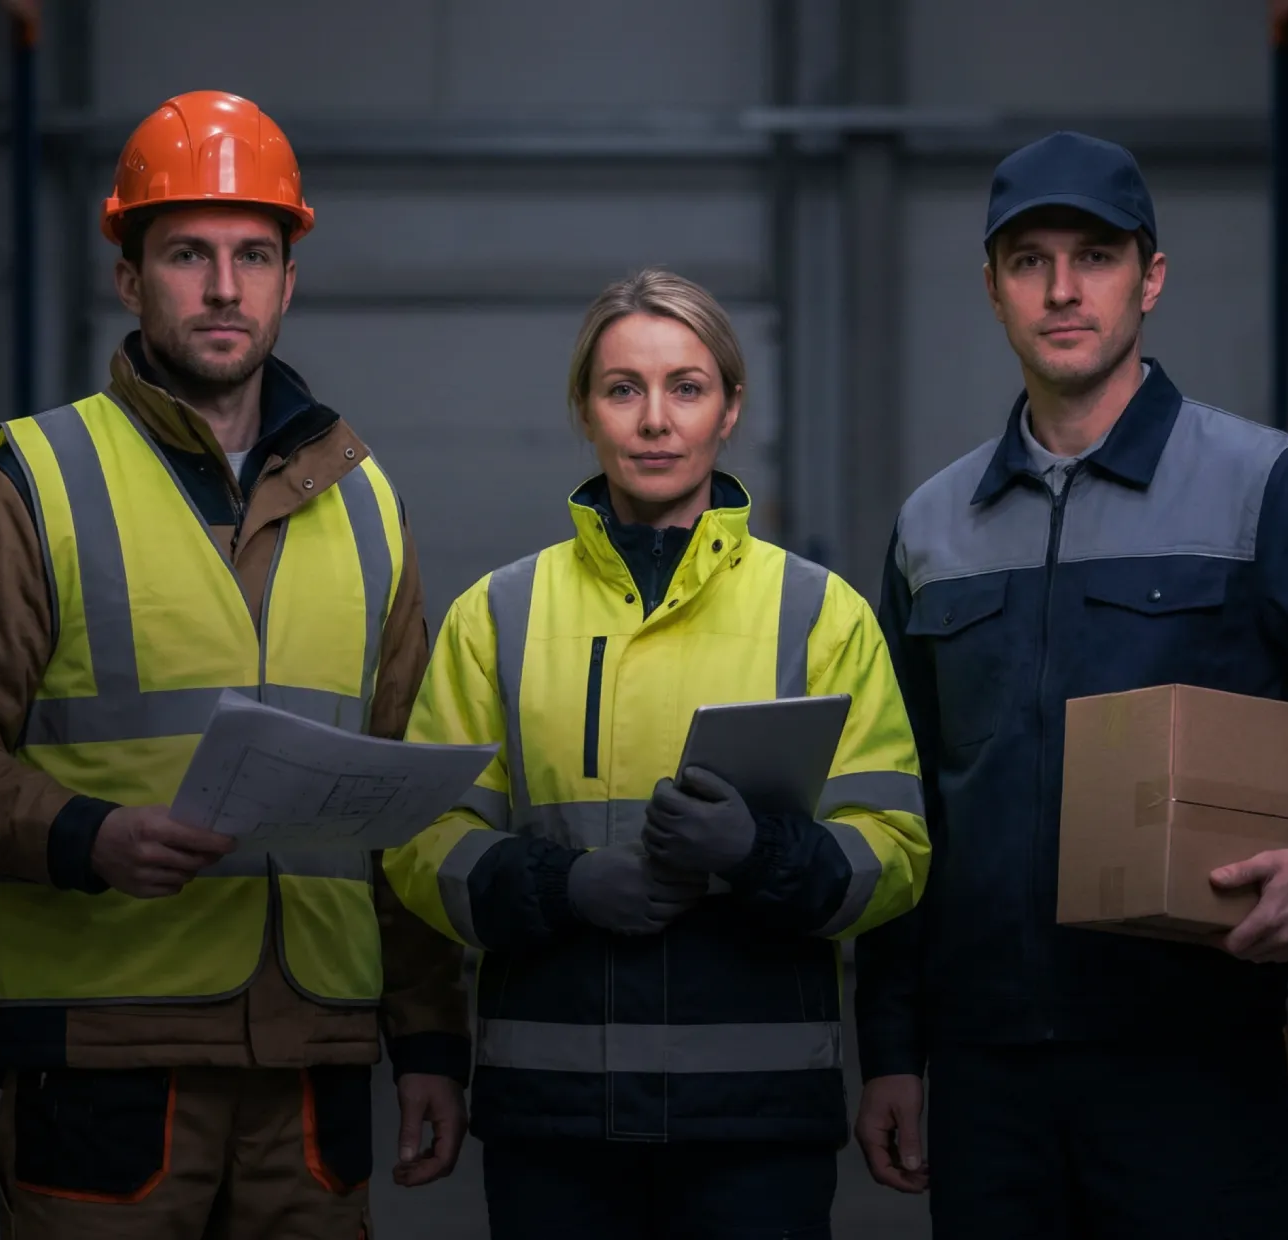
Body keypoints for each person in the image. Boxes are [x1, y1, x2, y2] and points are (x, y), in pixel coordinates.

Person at [0, 90, 470, 1239]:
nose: (226, 286)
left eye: (255, 254)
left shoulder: (369, 503)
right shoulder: (27, 483)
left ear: (291, 280)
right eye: (188, 252)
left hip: (317, 1063)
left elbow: (407, 801)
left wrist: (430, 1040)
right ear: (130, 276)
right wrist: (85, 833)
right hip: (106, 1061)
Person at [383, 268, 931, 1239]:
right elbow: (423, 842)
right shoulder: (498, 616)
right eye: (623, 388)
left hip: (757, 1128)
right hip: (555, 1125)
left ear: (730, 409)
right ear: (585, 411)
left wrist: (760, 852)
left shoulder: (820, 614)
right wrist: (564, 886)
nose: (654, 419)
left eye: (686, 386)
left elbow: (895, 850)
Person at [854, 129, 1288, 1239]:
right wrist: (891, 1052)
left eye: (1095, 254)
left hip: (1195, 1064)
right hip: (987, 1077)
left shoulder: (1268, 487)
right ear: (994, 288)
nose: (1063, 289)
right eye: (1029, 260)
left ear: (1149, 277)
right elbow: (901, 799)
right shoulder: (931, 525)